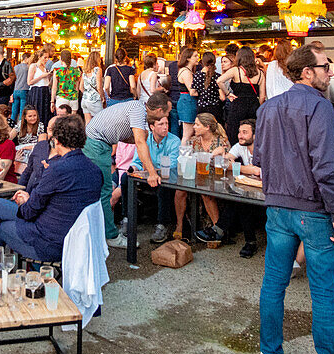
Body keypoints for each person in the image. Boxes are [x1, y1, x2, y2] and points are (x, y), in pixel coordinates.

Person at [254, 44, 334, 354]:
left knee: (274, 284)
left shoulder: (269, 107)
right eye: (324, 66)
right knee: (323, 294)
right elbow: (326, 166)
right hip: (314, 211)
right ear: (306, 72)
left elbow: (258, 157)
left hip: (277, 208)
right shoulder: (318, 106)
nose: (330, 70)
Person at [0, 114, 102, 276]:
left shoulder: (56, 169)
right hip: (78, 242)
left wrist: (26, 201)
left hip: (48, 242)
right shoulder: (95, 171)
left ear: (56, 139)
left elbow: (29, 212)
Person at [84, 92, 173, 247]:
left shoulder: (138, 108)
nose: (169, 115)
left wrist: (146, 163)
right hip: (96, 143)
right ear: (159, 111)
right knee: (104, 192)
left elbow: (128, 137)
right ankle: (111, 237)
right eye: (167, 112)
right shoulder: (139, 111)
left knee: (96, 190)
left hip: (96, 140)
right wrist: (151, 173)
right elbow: (139, 142)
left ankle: (96, 231)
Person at [120, 112, 179, 245]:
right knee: (125, 178)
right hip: (147, 176)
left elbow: (172, 165)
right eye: (161, 124)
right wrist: (134, 169)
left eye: (167, 123)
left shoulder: (174, 140)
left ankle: (162, 225)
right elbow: (137, 161)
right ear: (152, 127)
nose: (165, 127)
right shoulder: (145, 139)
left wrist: (151, 169)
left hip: (166, 177)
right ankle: (127, 218)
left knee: (163, 183)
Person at [210, 118, 263, 257]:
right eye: (240, 132)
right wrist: (248, 169)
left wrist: (246, 169)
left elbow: (260, 172)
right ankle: (247, 241)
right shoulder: (240, 146)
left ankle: (220, 229)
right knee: (239, 198)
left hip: (268, 192)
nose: (240, 135)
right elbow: (226, 162)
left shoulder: (265, 147)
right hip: (251, 188)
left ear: (255, 135)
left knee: (240, 200)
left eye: (245, 132)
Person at [186, 113, 228, 243]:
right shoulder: (192, 142)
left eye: (197, 124)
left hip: (218, 178)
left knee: (206, 192)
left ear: (207, 127)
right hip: (198, 177)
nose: (194, 127)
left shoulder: (221, 142)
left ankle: (218, 230)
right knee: (182, 191)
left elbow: (228, 162)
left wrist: (222, 152)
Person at [218, 47, 265, 147]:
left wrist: (228, 94)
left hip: (238, 105)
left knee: (234, 133)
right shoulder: (260, 73)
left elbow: (219, 81)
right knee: (252, 134)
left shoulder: (236, 70)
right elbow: (262, 96)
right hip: (253, 106)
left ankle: (236, 158)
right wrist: (257, 106)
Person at [19, 115, 58, 192]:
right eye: (50, 130)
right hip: (27, 194)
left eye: (57, 131)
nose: (53, 134)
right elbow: (28, 171)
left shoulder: (66, 156)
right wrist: (18, 190)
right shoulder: (40, 146)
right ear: (46, 130)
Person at [175, 47, 199, 142]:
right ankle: (183, 155)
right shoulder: (186, 72)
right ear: (188, 58)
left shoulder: (185, 71)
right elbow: (192, 91)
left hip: (186, 101)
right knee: (188, 133)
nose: (198, 58)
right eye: (195, 56)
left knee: (188, 132)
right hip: (187, 102)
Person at [27, 47, 54, 128]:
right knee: (37, 113)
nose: (46, 60)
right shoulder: (33, 66)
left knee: (45, 114)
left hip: (45, 91)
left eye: (48, 58)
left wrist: (49, 76)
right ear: (39, 57)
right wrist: (42, 76)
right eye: (45, 57)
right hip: (37, 91)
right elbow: (29, 82)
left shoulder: (45, 68)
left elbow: (47, 82)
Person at [11, 104, 45, 169]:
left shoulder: (40, 125)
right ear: (25, 117)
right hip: (21, 150)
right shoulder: (20, 125)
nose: (33, 118)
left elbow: (41, 144)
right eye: (30, 116)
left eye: (34, 115)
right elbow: (10, 138)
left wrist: (26, 147)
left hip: (33, 149)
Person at [51, 50, 82, 114]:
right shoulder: (76, 71)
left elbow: (54, 87)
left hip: (61, 97)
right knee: (73, 121)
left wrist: (52, 101)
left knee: (61, 121)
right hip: (73, 98)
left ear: (61, 59)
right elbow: (77, 87)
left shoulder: (57, 71)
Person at [80, 51, 105, 124]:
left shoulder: (85, 71)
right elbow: (99, 86)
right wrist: (102, 97)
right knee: (99, 121)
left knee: (87, 121)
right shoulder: (97, 70)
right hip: (94, 100)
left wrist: (87, 93)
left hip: (85, 100)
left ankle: (87, 135)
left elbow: (81, 87)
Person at [11, 52, 32, 124]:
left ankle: (11, 124)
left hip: (16, 90)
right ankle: (20, 126)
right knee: (22, 111)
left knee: (14, 110)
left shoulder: (15, 67)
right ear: (26, 58)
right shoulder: (28, 68)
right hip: (24, 89)